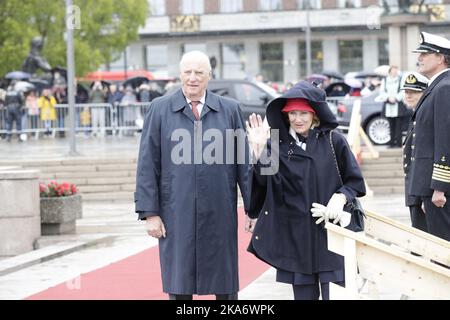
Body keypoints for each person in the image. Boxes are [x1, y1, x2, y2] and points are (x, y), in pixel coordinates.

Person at [134, 50, 250, 300]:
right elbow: (147, 164)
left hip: (219, 210)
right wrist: (150, 213)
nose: (193, 78)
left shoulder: (229, 110)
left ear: (209, 76)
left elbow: (244, 163)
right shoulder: (160, 109)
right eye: (188, 72)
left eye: (199, 72)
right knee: (179, 281)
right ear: (180, 75)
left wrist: (253, 208)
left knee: (225, 280)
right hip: (176, 211)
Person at [245, 81, 366, 300]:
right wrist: (259, 151)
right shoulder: (276, 146)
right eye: (292, 114)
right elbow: (264, 185)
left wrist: (340, 198)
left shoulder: (333, 141)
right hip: (296, 240)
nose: (298, 119)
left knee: (337, 296)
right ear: (285, 116)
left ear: (315, 115)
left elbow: (355, 183)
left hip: (332, 235)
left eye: (303, 113)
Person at [408, 32, 450, 241]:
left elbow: (445, 140)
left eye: (425, 53)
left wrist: (440, 188)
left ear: (441, 57)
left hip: (439, 190)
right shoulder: (437, 86)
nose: (420, 58)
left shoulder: (444, 87)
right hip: (429, 187)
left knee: (443, 251)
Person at [401, 72, 429, 233]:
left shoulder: (423, 117)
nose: (409, 96)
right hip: (413, 190)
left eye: (414, 92)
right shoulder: (415, 117)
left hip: (421, 191)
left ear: (424, 93)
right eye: (406, 92)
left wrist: (426, 196)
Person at [376, 66, 409, 148]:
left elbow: (403, 91)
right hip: (388, 105)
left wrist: (396, 98)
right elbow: (382, 92)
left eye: (396, 71)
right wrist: (388, 98)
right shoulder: (385, 80)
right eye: (393, 71)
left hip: (398, 105)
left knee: (399, 125)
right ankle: (391, 143)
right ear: (390, 71)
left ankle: (398, 143)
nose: (394, 72)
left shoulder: (400, 80)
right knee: (390, 125)